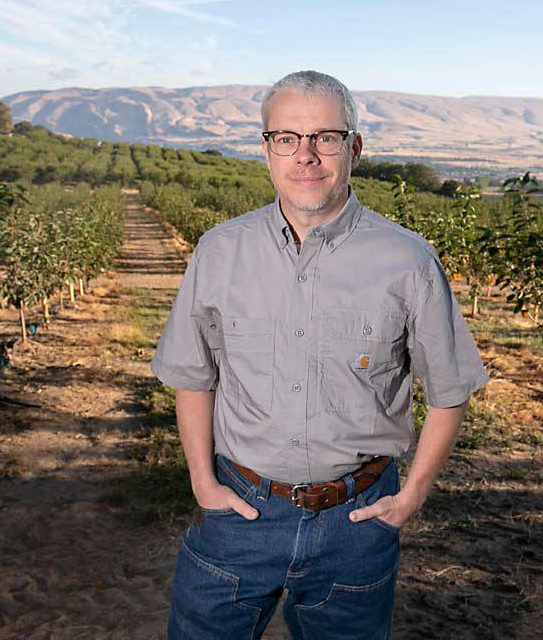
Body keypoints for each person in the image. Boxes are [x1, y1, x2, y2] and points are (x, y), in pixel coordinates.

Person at [151, 70, 489, 639]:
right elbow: (193, 374)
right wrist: (202, 482)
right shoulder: (219, 251)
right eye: (286, 138)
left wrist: (413, 497)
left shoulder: (408, 261)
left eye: (324, 138)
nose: (305, 155)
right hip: (239, 511)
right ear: (265, 149)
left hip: (356, 523)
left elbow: (451, 390)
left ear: (354, 148)